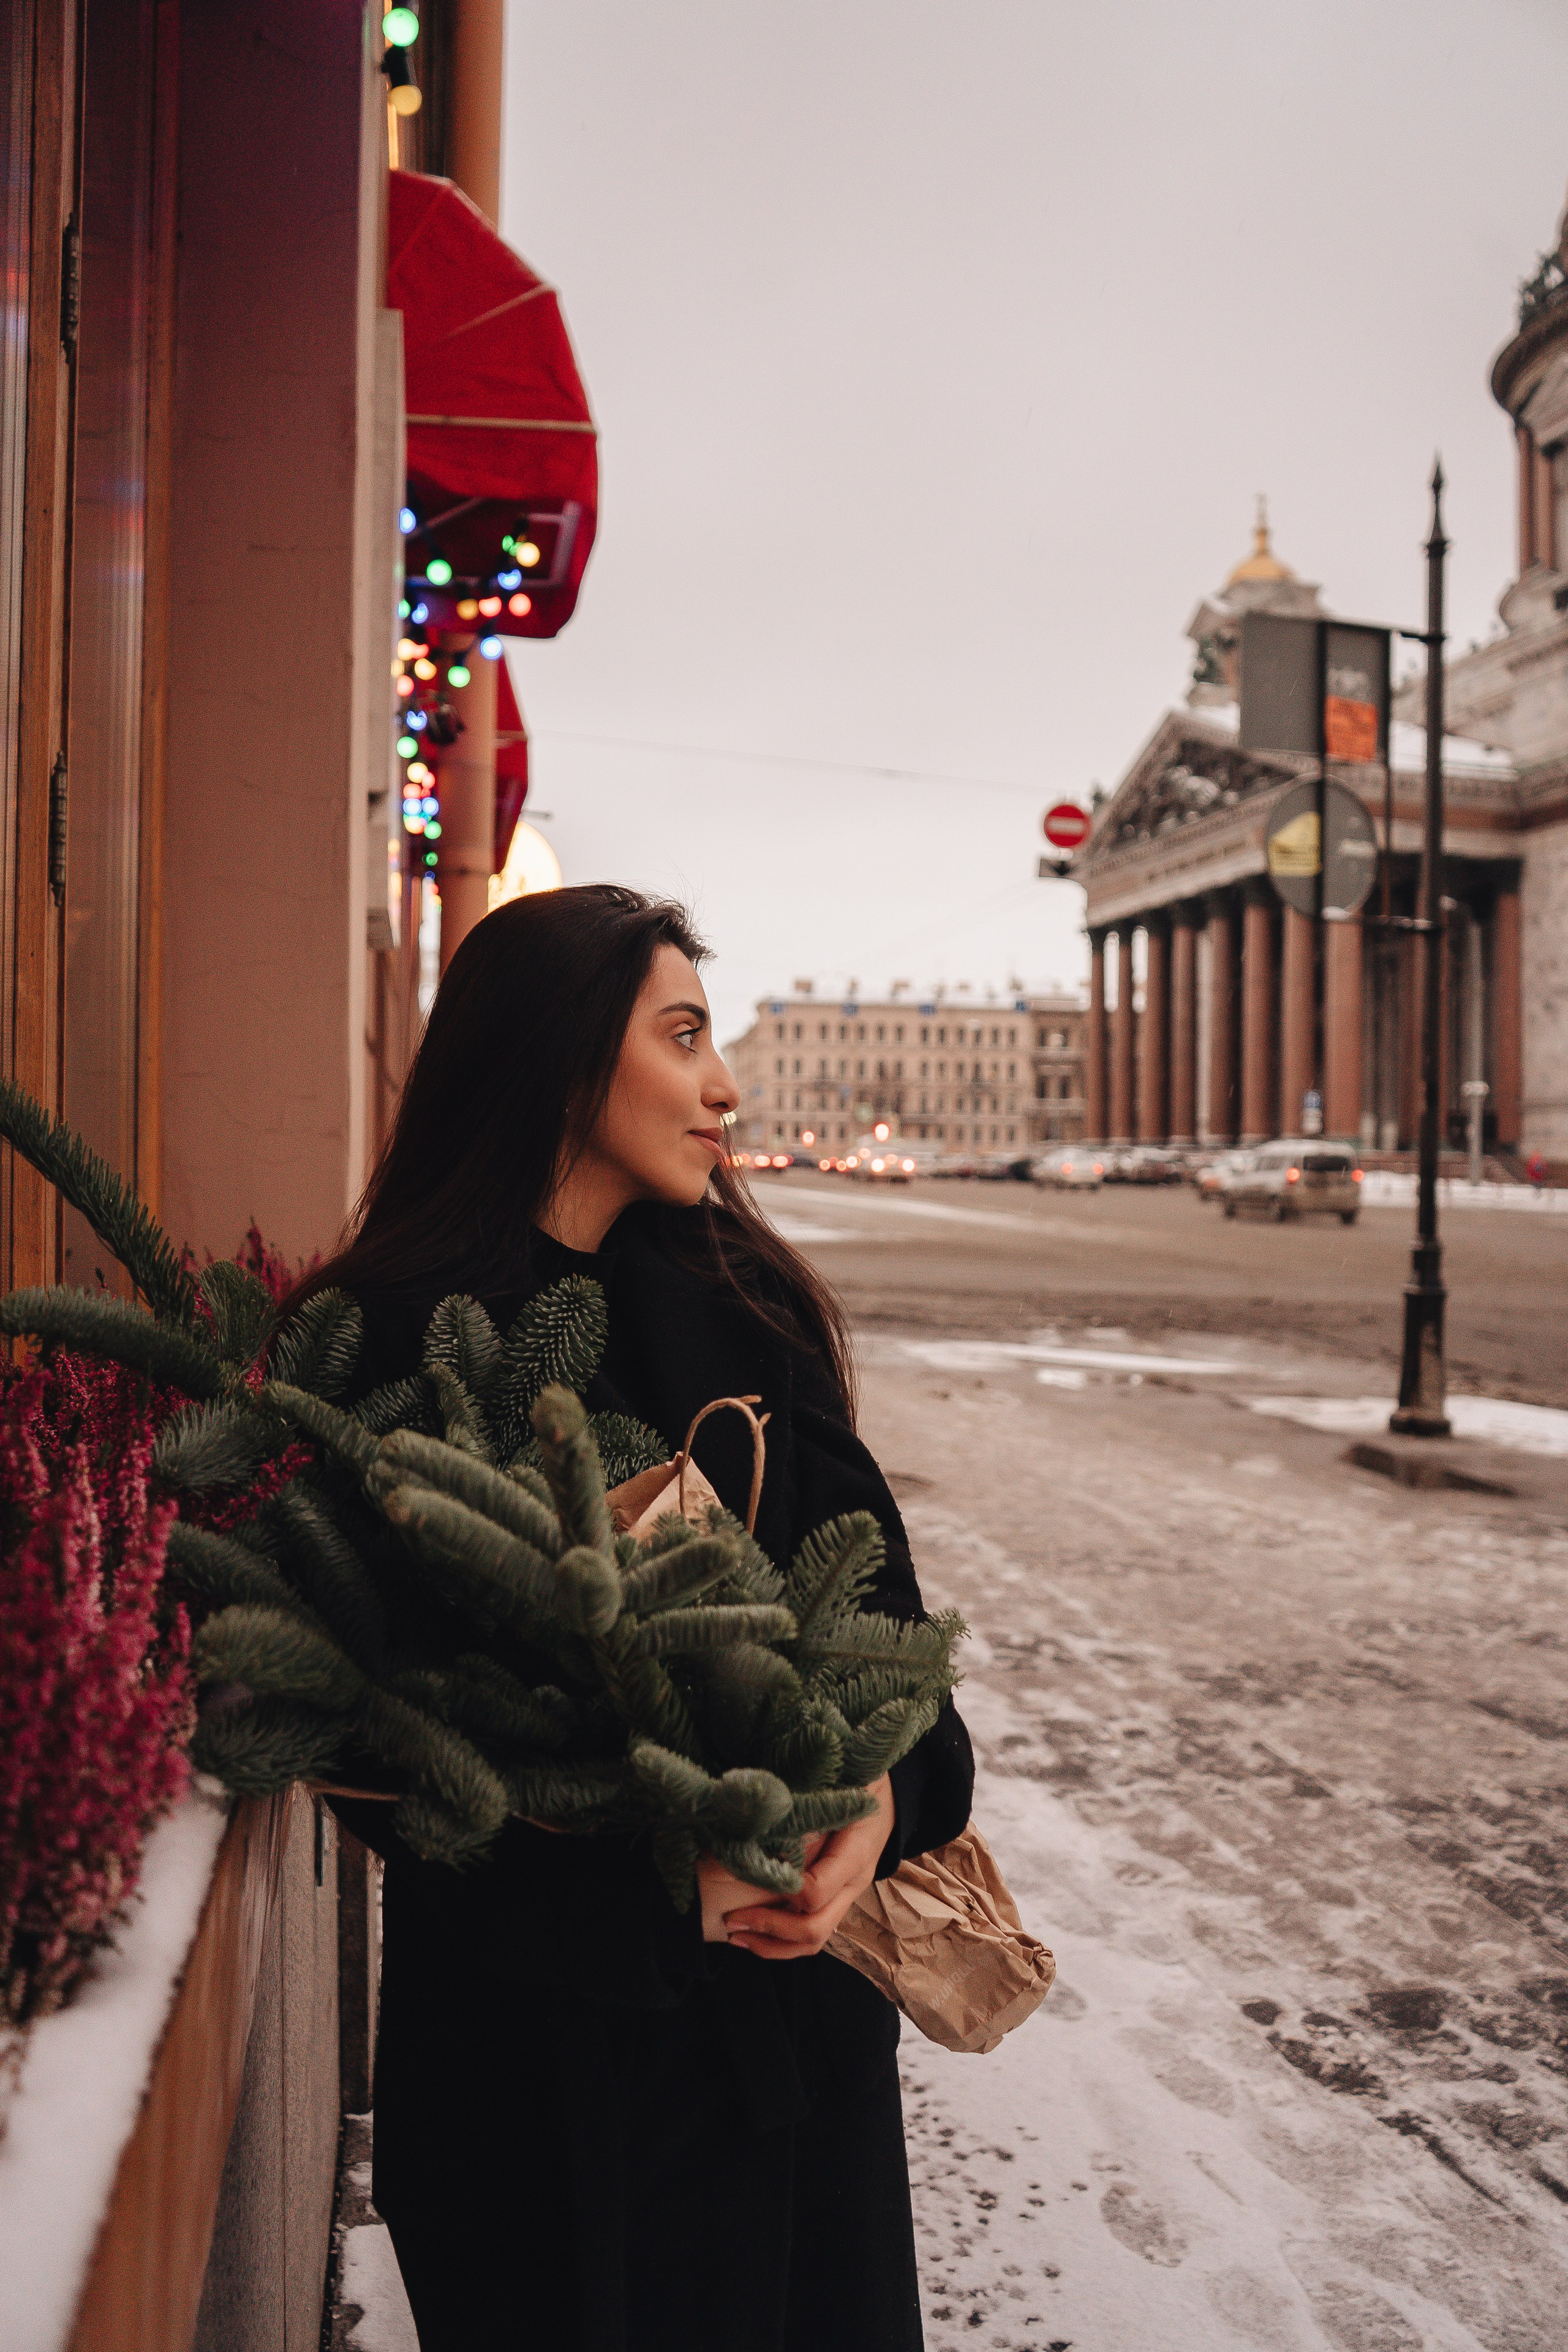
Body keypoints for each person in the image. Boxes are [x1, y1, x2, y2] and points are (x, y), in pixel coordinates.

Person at [295, 884, 974, 2352]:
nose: (724, 1086)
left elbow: (897, 1645)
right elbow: (373, 1738)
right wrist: (652, 1882)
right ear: (556, 1058)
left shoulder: (743, 1308)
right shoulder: (382, 1344)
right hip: (533, 2081)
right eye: (682, 1036)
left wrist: (877, 1801)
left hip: (789, 2068)